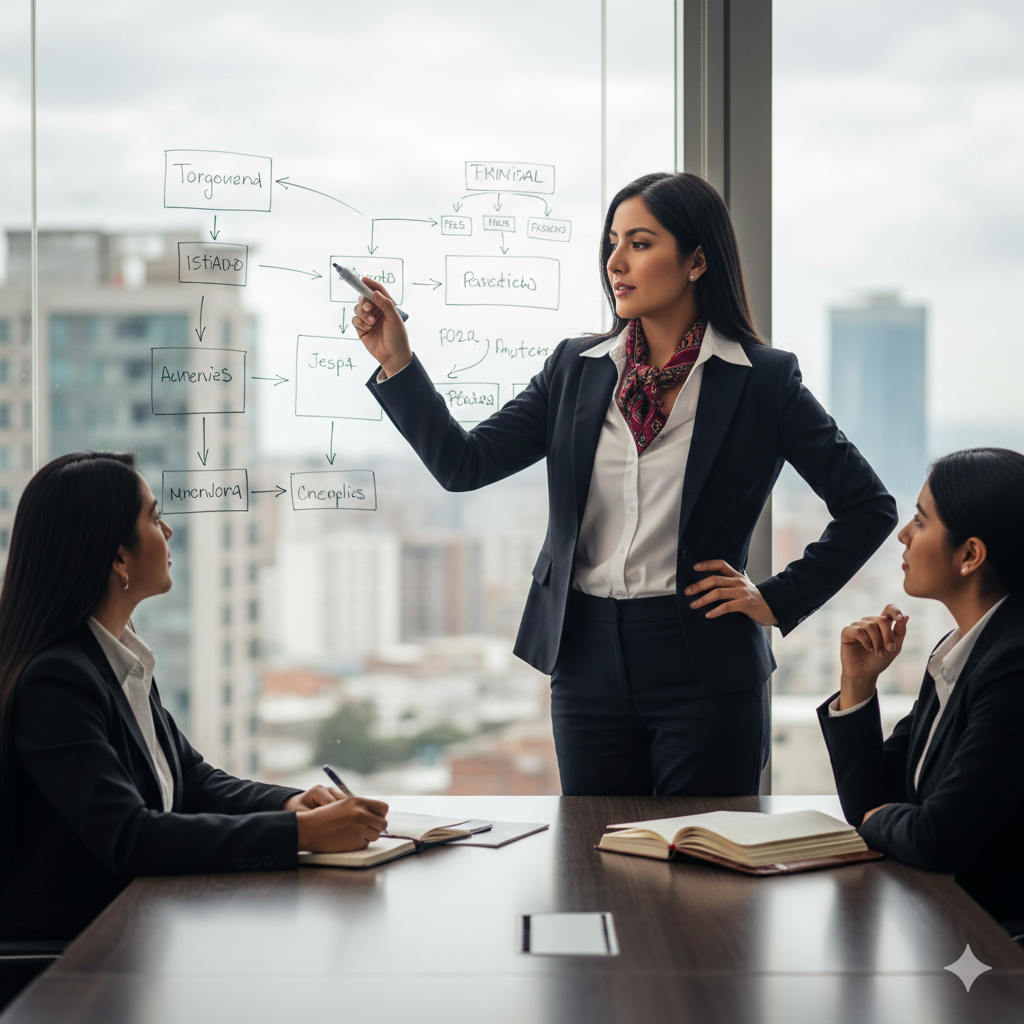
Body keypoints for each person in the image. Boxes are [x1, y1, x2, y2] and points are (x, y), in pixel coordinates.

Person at [356, 171, 897, 797]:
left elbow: (868, 505)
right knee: (598, 858)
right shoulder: (574, 370)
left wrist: (777, 599)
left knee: (702, 869)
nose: (615, 262)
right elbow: (464, 464)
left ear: (697, 260)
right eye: (612, 243)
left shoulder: (762, 380)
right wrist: (397, 361)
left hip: (704, 661)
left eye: (639, 243)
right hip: (583, 659)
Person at [0, 452, 388, 941]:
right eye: (154, 518)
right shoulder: (55, 681)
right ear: (118, 558)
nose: (168, 534)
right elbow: (130, 836)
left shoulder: (117, 655)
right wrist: (303, 836)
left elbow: (193, 780)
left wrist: (292, 805)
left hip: (134, 927)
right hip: (70, 960)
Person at [818, 448, 1024, 935]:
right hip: (945, 919)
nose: (903, 536)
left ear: (970, 554)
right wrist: (858, 683)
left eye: (919, 520)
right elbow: (875, 798)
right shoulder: (963, 651)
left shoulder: (1013, 666)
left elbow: (936, 837)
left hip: (994, 948)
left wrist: (875, 818)